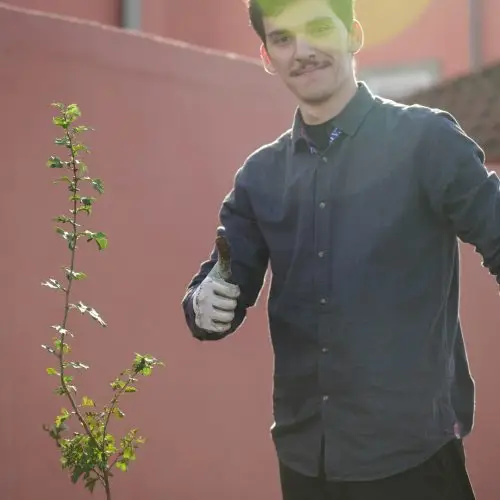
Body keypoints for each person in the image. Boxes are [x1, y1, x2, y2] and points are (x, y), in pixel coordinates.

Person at [181, 0, 494, 498]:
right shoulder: (260, 177)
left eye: (319, 28)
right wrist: (203, 302)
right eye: (283, 38)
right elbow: (221, 281)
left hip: (413, 457)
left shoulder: (427, 141)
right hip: (306, 462)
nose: (302, 51)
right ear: (267, 55)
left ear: (353, 34)